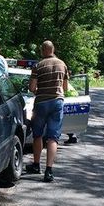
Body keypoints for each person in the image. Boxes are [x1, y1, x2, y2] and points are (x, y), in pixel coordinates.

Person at [26, 40, 68, 183]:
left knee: (37, 135)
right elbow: (65, 88)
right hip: (57, 102)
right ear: (53, 49)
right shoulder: (62, 64)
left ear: (43, 50)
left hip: (41, 103)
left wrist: (39, 90)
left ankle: (36, 165)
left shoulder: (38, 66)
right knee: (53, 137)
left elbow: (32, 88)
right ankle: (49, 171)